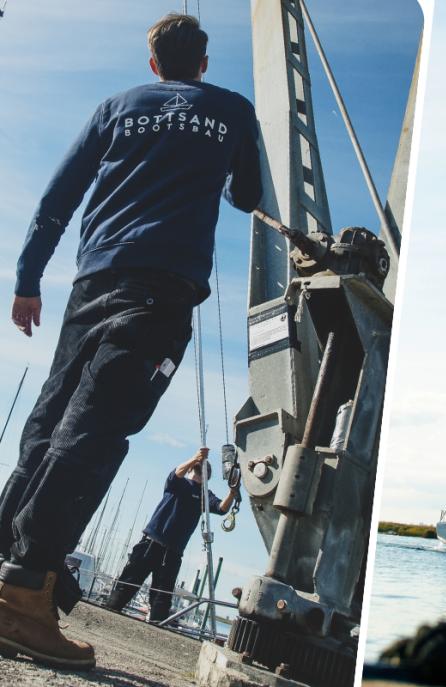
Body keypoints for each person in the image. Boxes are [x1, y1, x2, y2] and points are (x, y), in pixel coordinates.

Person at [0, 14, 260, 670]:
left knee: (48, 425)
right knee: (93, 431)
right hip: (162, 290)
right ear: (202, 62)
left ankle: (8, 563)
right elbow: (248, 194)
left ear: (153, 65)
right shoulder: (232, 109)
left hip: (93, 280)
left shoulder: (116, 107)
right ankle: (23, 594)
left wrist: (28, 279)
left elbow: (58, 196)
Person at [106, 449, 237, 623]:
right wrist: (194, 459)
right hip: (151, 544)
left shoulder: (205, 495)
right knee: (127, 584)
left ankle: (155, 628)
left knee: (162, 597)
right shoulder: (179, 482)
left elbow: (221, 508)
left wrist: (233, 491)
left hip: (173, 552)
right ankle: (109, 613)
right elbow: (176, 474)